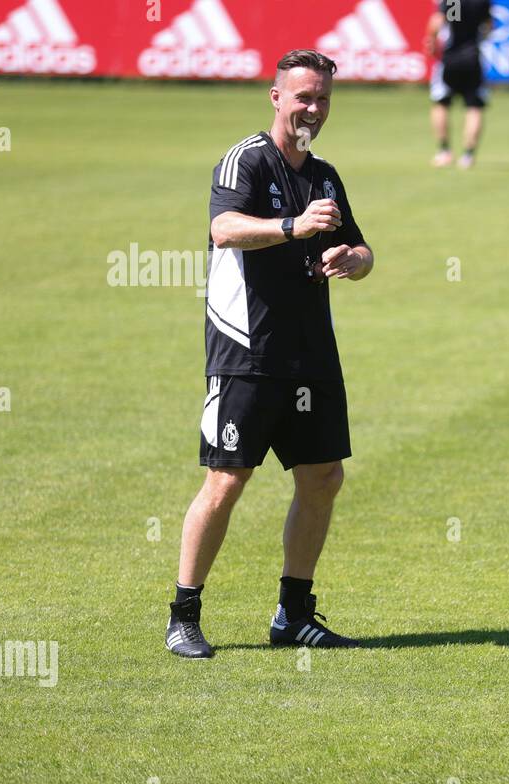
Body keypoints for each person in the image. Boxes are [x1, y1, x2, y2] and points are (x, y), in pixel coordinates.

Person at [166, 49, 374, 660]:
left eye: (324, 99)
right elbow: (224, 229)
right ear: (276, 97)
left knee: (323, 477)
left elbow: (361, 252)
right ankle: (184, 614)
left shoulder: (325, 174)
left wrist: (351, 260)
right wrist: (293, 227)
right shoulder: (246, 160)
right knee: (227, 480)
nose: (313, 108)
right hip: (246, 350)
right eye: (303, 96)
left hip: (310, 353)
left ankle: (294, 613)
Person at [424, 0, 493, 169]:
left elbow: (439, 21)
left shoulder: (453, 1)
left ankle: (444, 151)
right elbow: (489, 26)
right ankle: (468, 156)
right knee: (474, 106)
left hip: (450, 58)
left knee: (441, 103)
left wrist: (431, 41)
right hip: (473, 58)